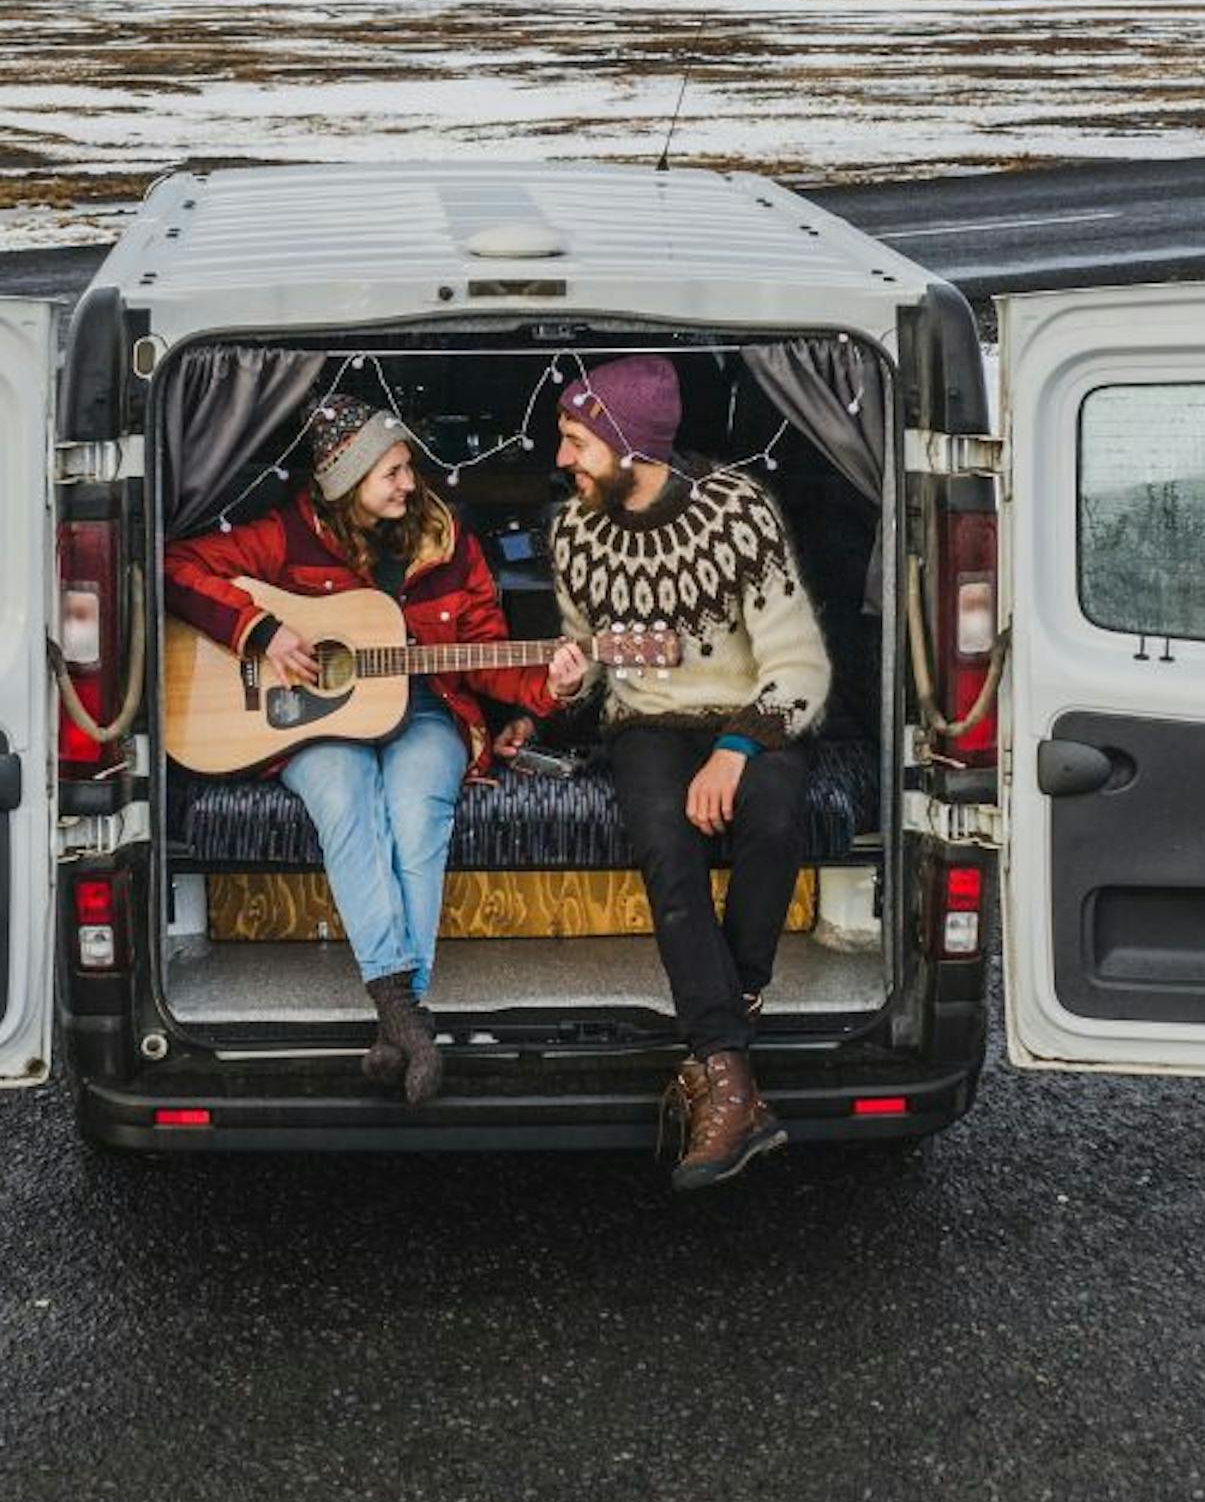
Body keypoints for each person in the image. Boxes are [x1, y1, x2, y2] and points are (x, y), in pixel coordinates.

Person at [162, 394, 565, 1102]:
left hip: (427, 712)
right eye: (392, 472)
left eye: (407, 466)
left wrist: (548, 687)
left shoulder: (448, 541)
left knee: (416, 814)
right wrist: (259, 632)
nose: (411, 484)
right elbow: (173, 566)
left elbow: (481, 653)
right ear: (346, 481)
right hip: (309, 724)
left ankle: (397, 1019)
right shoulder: (286, 538)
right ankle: (406, 1013)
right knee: (346, 801)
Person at [540, 355, 832, 1190]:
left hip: (755, 711)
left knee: (772, 820)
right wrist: (571, 679)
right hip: (647, 724)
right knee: (666, 844)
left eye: (576, 442)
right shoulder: (574, 532)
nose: (563, 461)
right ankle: (730, 1075)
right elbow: (591, 658)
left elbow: (801, 668)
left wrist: (737, 751)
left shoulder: (737, 517)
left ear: (630, 443)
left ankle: (723, 1026)